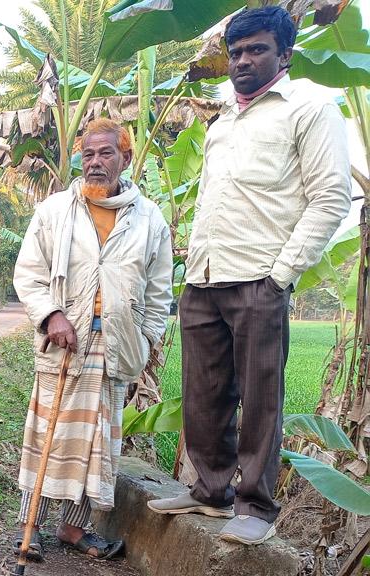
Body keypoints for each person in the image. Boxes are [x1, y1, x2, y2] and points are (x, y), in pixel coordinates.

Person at [147, 6, 351, 545]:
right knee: (202, 392)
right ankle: (210, 491)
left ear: (284, 55)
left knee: (261, 396)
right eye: (236, 52)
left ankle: (256, 506)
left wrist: (280, 275)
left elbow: (329, 198)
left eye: (256, 49)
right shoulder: (223, 121)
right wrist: (191, 267)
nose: (242, 60)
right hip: (205, 276)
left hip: (260, 276)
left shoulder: (309, 109)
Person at [13, 118, 173, 560]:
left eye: (106, 154)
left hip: (117, 346)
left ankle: (73, 529)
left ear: (125, 158)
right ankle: (29, 526)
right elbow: (29, 275)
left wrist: (145, 339)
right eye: (89, 154)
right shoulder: (55, 211)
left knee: (96, 444)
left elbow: (160, 293)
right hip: (65, 341)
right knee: (51, 435)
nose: (96, 162)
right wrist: (51, 316)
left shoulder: (149, 219)